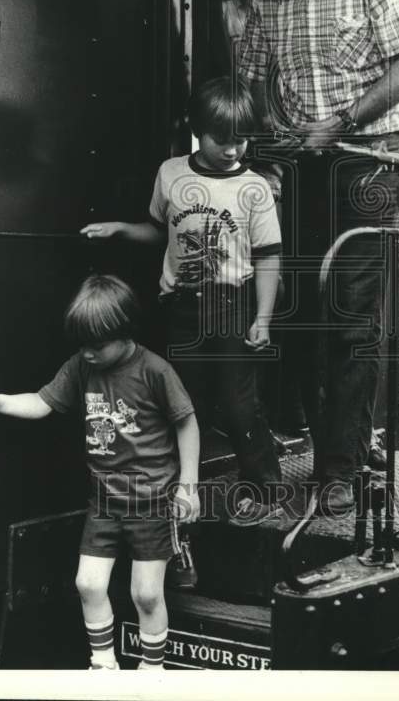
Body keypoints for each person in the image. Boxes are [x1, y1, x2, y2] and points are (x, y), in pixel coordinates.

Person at [236, 0, 399, 512]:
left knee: (351, 315)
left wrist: (341, 122)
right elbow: (254, 78)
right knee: (305, 312)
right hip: (303, 166)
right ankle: (345, 442)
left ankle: (339, 470)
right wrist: (274, 143)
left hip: (370, 159)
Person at [0, 274, 200, 671]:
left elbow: (187, 423)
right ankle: (103, 666)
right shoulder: (81, 368)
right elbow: (41, 402)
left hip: (151, 501)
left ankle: (152, 673)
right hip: (103, 501)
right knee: (87, 584)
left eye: (97, 345)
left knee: (147, 595)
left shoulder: (155, 371)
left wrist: (188, 488)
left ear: (125, 334)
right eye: (82, 344)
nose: (87, 352)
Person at [81, 76, 283, 525]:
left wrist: (263, 318)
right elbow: (158, 231)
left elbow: (269, 257)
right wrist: (119, 229)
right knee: (182, 401)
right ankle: (175, 490)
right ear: (196, 128)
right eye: (222, 140)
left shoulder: (255, 188)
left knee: (237, 403)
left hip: (232, 304)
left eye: (241, 139)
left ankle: (265, 489)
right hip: (180, 305)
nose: (233, 150)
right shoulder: (171, 173)